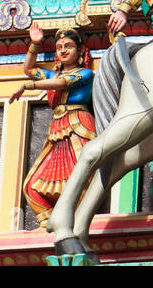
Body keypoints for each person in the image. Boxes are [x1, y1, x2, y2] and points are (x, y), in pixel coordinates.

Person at [10, 23, 96, 228]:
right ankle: (50, 227)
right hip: (57, 130)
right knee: (31, 187)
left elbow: (62, 83)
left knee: (84, 178)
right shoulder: (51, 75)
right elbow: (29, 69)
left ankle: (77, 222)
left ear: (81, 50)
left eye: (68, 46)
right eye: (59, 47)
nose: (64, 50)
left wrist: (28, 85)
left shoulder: (85, 74)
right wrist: (35, 44)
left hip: (78, 125)